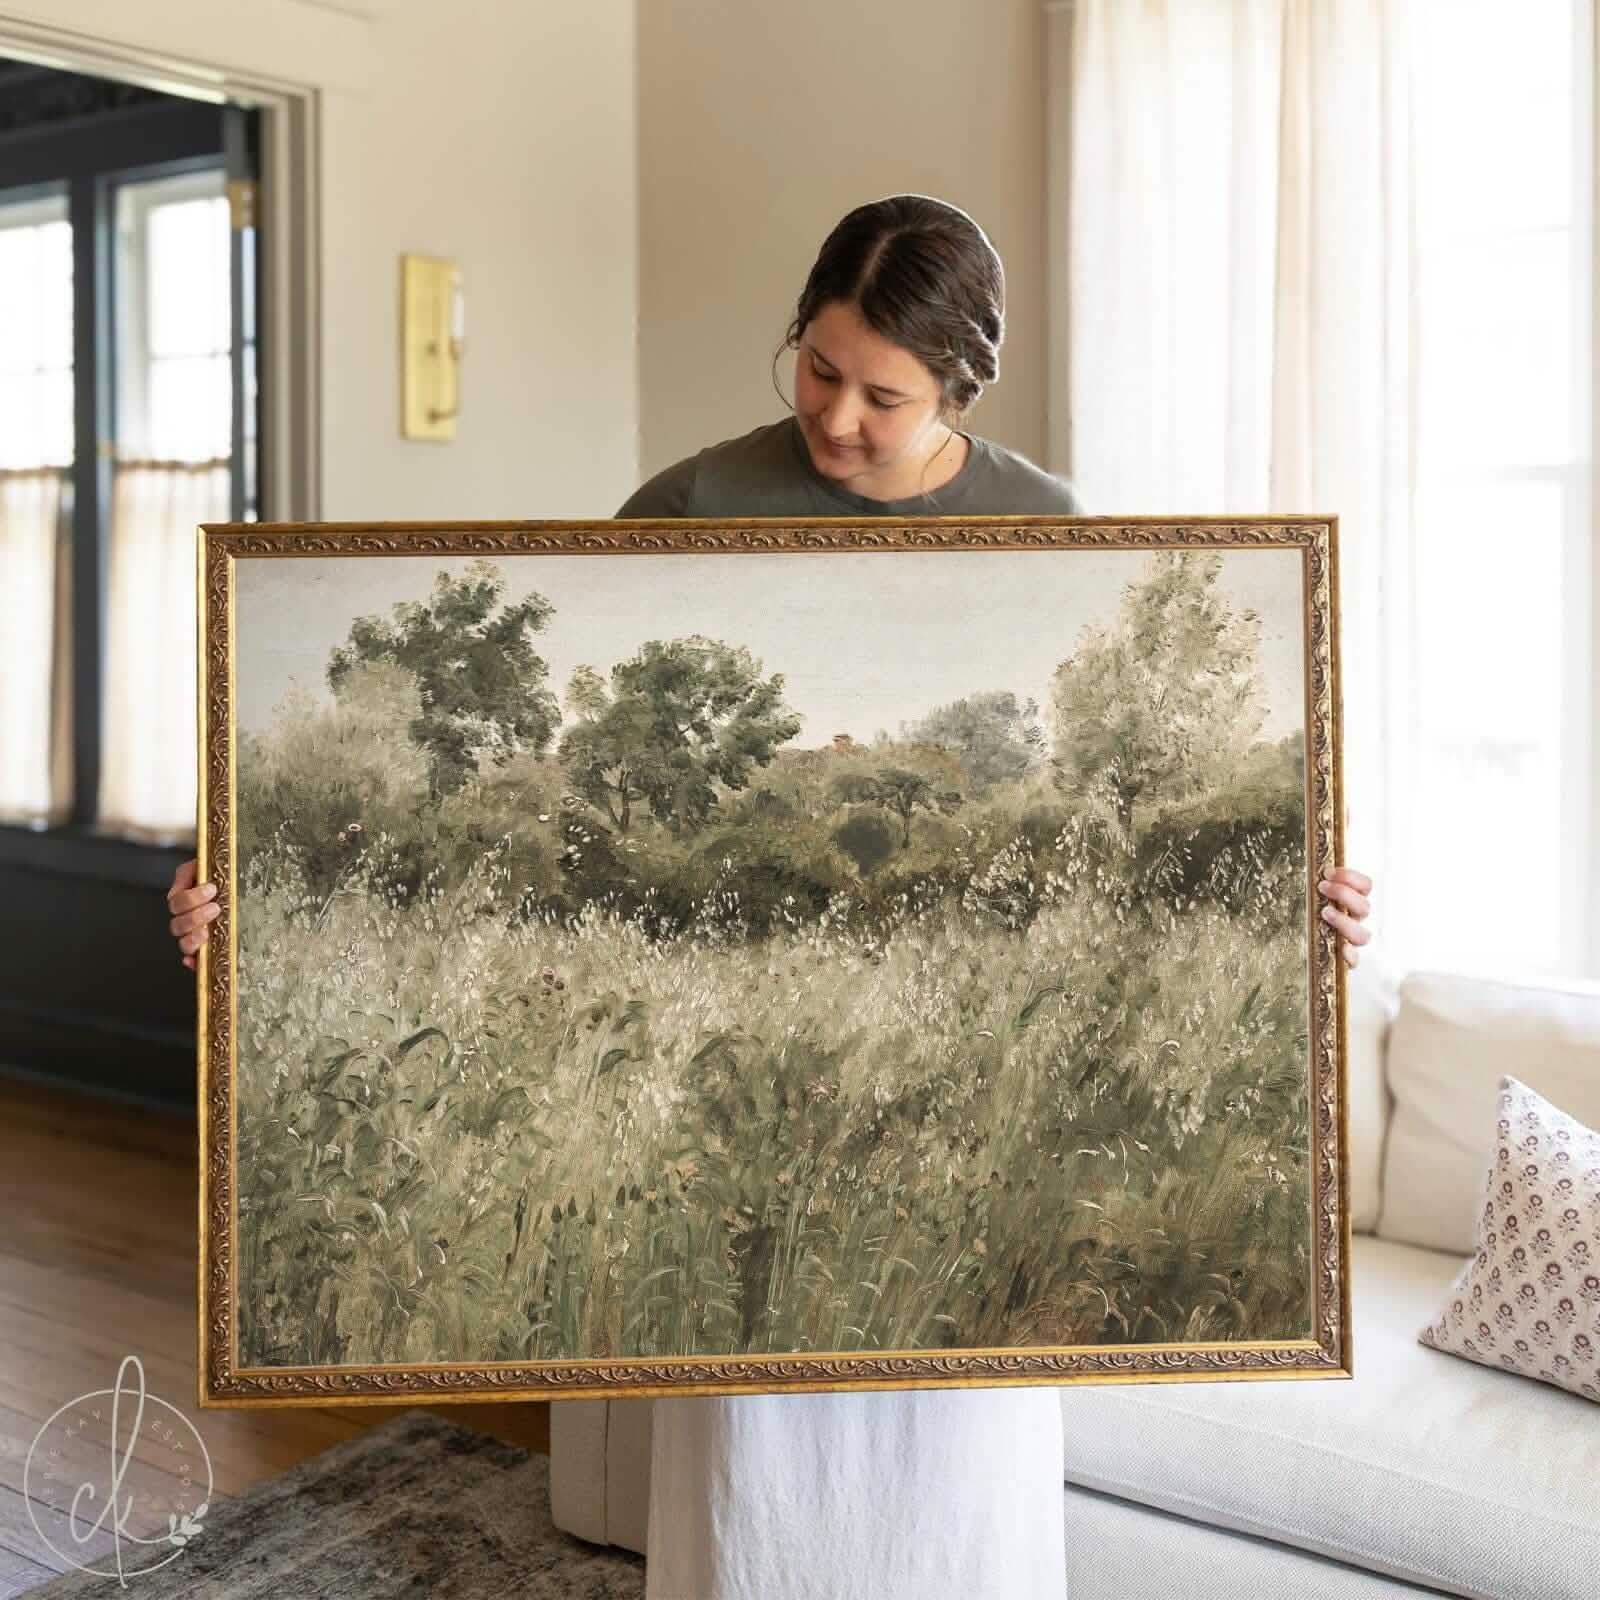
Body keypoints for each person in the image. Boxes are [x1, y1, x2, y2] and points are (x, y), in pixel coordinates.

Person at [164, 195, 1375, 1600]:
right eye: (817, 367)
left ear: (961, 389)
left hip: (978, 1154)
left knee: (956, 1522)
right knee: (759, 1525)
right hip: (755, 1201)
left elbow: (1149, 786)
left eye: (886, 395)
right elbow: (551, 725)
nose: (840, 418)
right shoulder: (697, 503)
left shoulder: (1047, 527)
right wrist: (228, 884)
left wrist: (1316, 902)